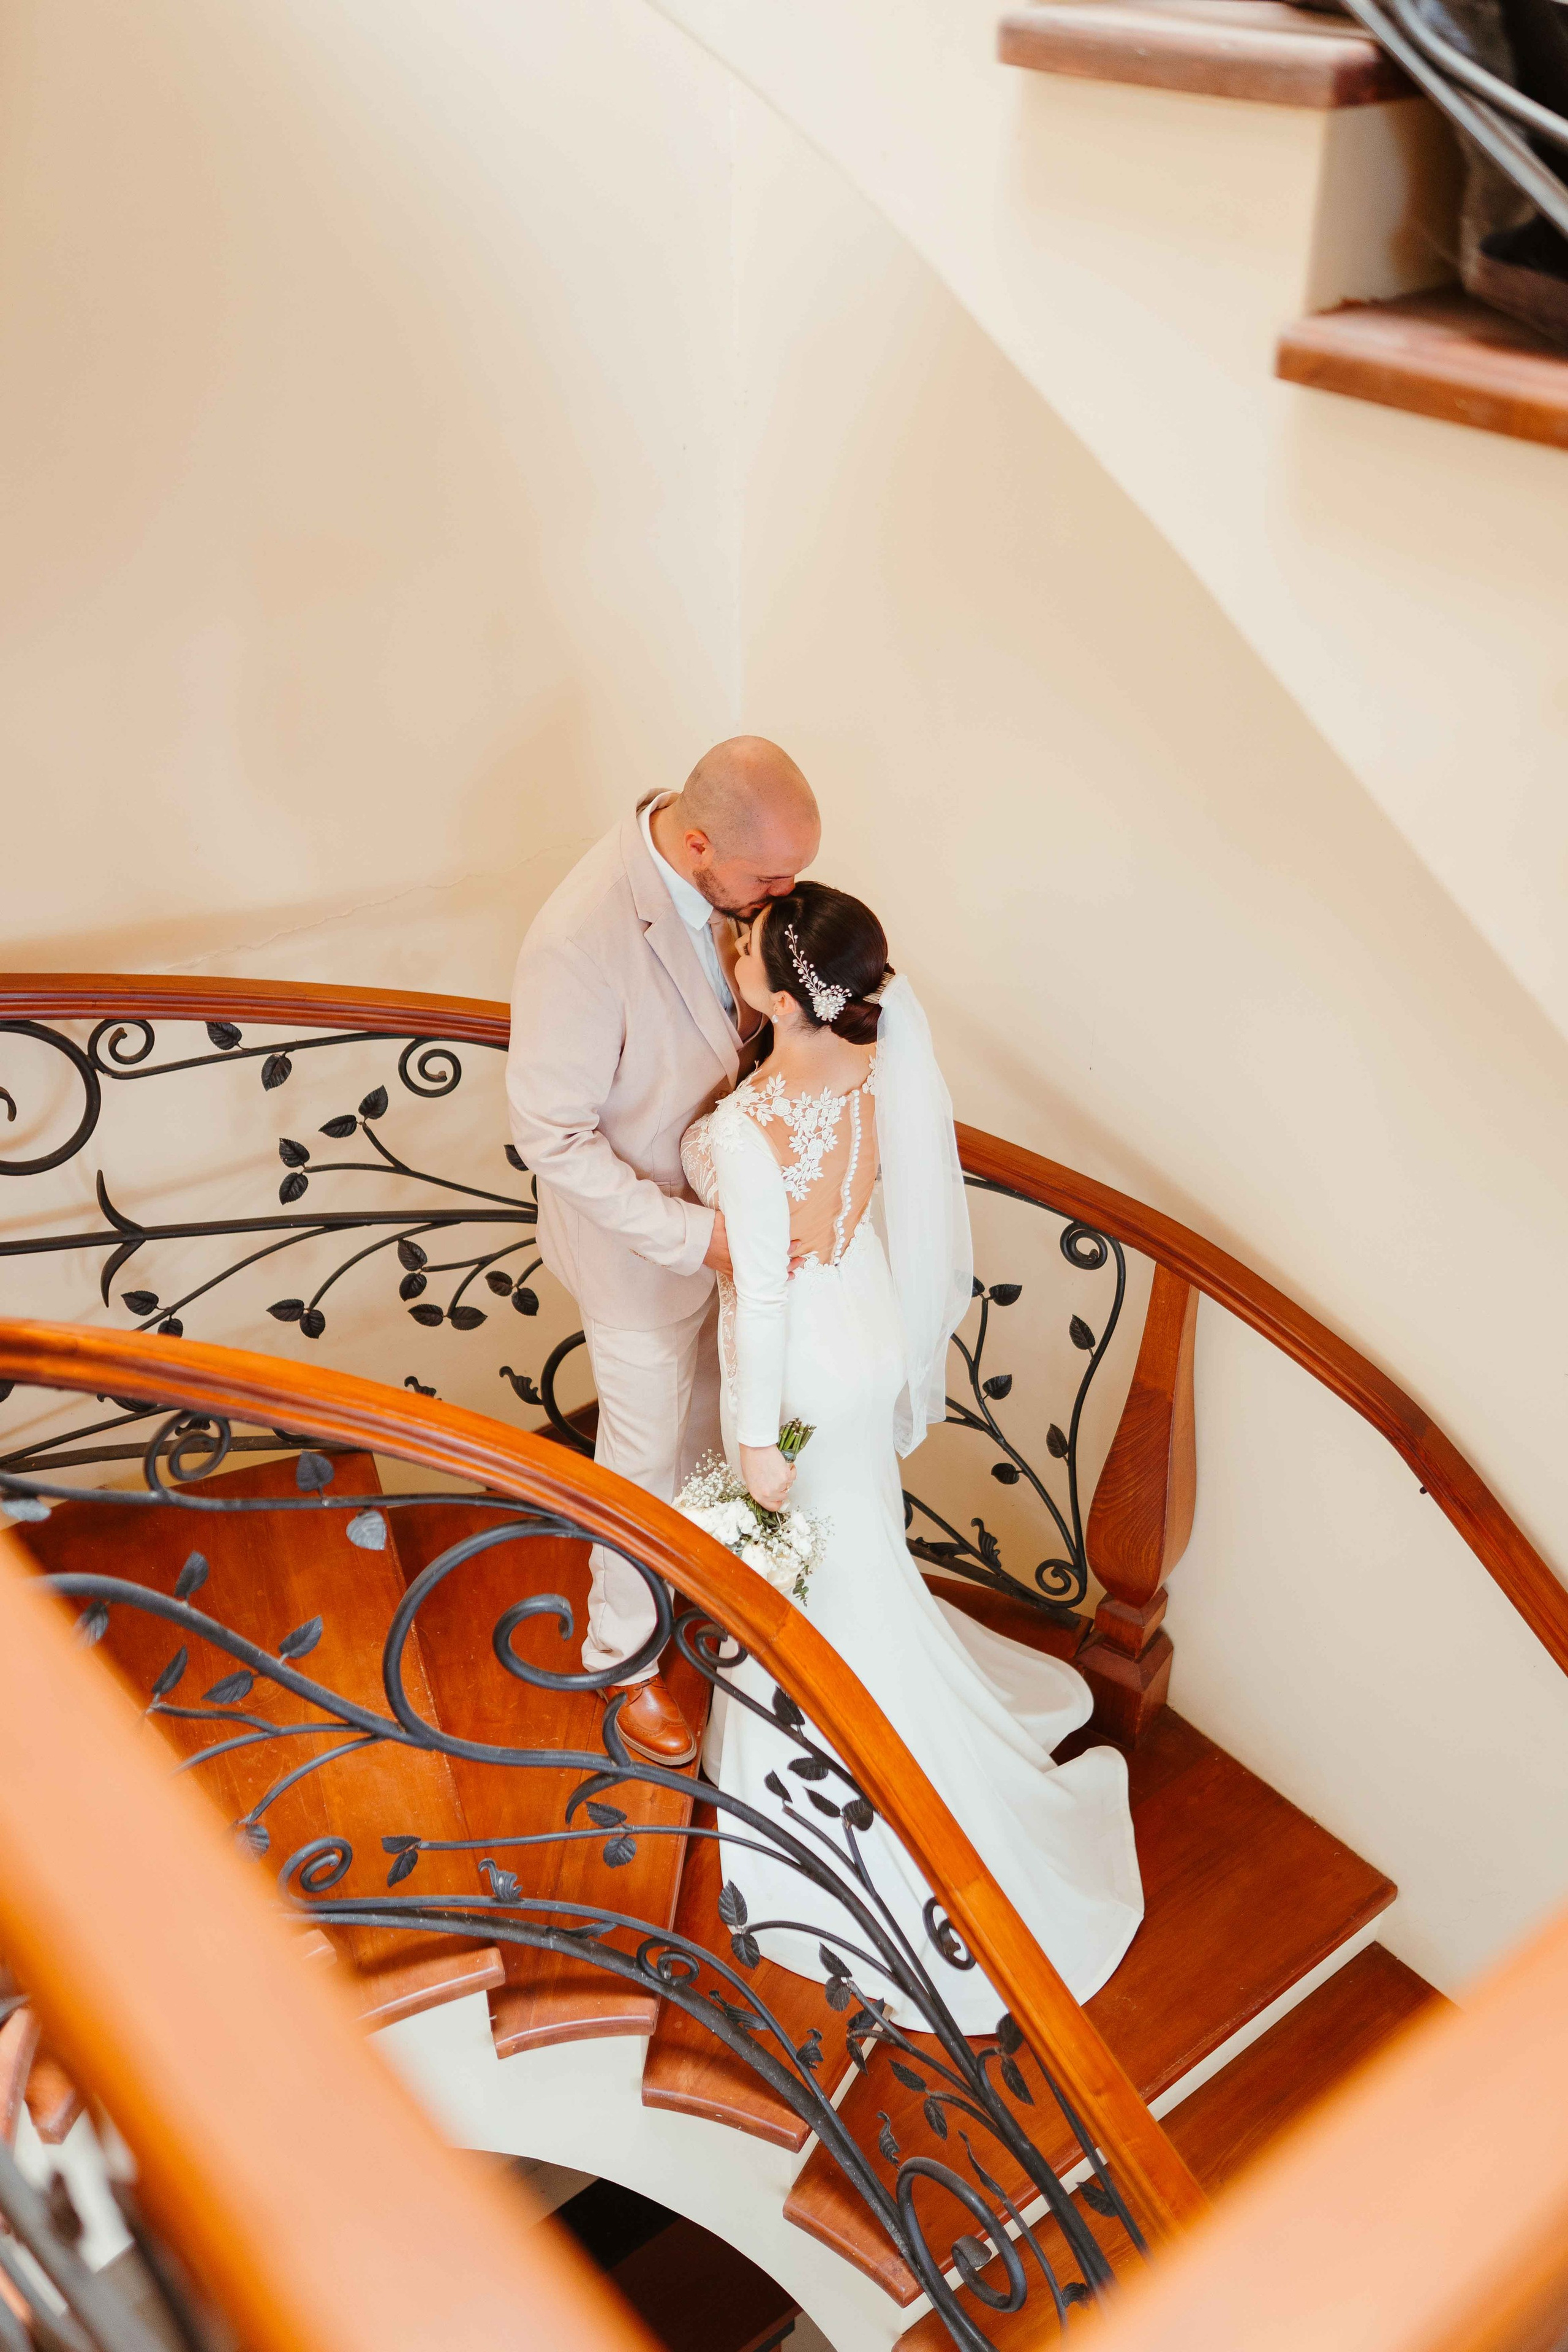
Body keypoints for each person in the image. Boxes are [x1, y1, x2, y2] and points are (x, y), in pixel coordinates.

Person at [681, 883, 1143, 2027]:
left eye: (749, 951)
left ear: (788, 1001)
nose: (734, 951)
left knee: (812, 1576)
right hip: (870, 1335)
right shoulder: (876, 1070)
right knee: (861, 1557)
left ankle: (858, 1792)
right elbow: (863, 1217)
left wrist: (753, 1446)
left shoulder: (750, 1129)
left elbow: (766, 1303)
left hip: (804, 1371)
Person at [506, 739, 820, 1764]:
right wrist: (700, 1238)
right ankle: (622, 1661)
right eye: (770, 880)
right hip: (645, 1258)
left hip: (728, 1237)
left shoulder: (726, 878)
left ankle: (696, 1577)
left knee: (707, 1428)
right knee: (639, 1467)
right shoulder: (580, 938)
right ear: (695, 845)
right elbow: (551, 1136)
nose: (785, 896)